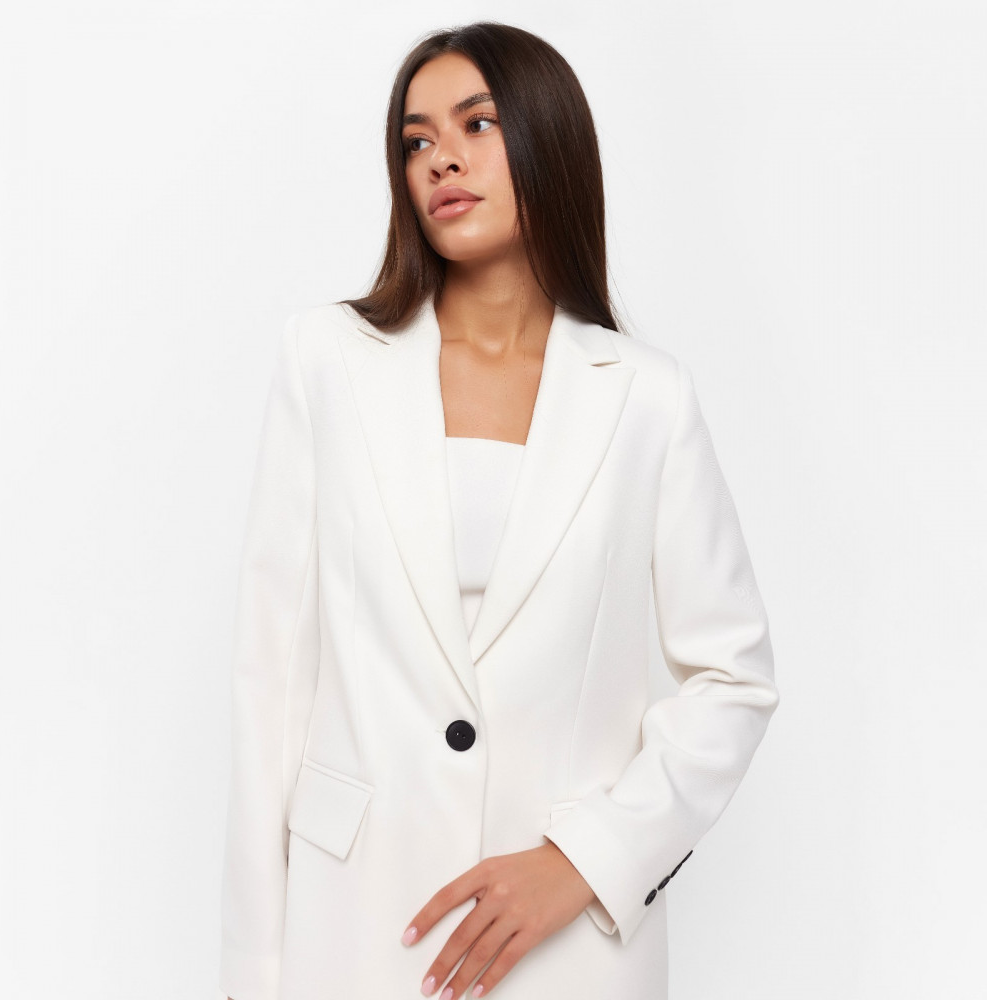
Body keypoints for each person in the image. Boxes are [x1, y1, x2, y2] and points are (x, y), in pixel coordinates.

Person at [220, 20, 779, 1000]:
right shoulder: (326, 362)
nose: (441, 158)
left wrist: (586, 861)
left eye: (476, 124)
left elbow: (733, 679)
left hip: (565, 945)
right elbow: (272, 678)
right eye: (417, 139)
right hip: (356, 924)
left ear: (546, 137)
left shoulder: (646, 398)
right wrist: (253, 972)